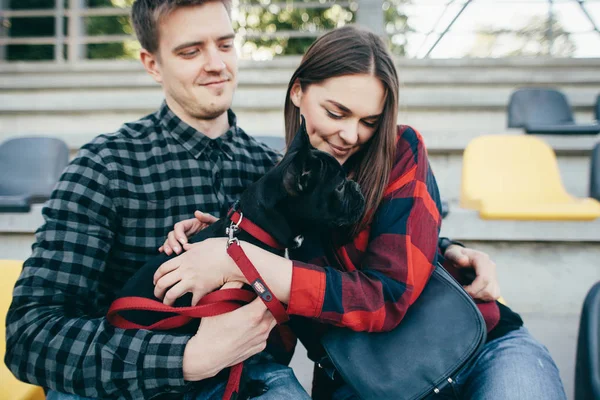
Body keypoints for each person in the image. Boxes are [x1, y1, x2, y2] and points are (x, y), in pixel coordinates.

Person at [1, 0, 524, 398]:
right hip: (132, 382)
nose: (216, 64)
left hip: (255, 381)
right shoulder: (104, 166)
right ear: (151, 63)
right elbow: (30, 336)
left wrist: (449, 251)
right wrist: (185, 357)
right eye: (190, 50)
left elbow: (362, 247)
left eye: (225, 44)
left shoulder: (280, 167)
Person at [154, 26, 568, 400]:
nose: (351, 134)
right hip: (365, 379)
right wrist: (217, 241)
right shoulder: (278, 184)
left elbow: (385, 297)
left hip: (482, 347)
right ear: (298, 92)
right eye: (336, 113)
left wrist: (242, 261)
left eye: (369, 120)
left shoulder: (400, 150)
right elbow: (273, 337)